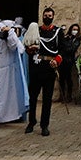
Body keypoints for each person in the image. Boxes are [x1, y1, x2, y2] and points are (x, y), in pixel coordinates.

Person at [21, 7, 62, 136]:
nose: (47, 17)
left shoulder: (57, 32)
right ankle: (31, 121)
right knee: (33, 97)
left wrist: (57, 61)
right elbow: (27, 47)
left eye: (50, 15)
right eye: (45, 15)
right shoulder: (36, 30)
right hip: (36, 68)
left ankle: (45, 125)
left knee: (47, 98)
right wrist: (30, 49)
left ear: (53, 17)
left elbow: (62, 51)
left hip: (49, 68)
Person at [58, 23, 81, 103]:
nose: (74, 31)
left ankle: (69, 96)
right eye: (73, 29)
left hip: (69, 61)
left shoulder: (77, 40)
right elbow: (61, 47)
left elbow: (71, 49)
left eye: (76, 30)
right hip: (62, 60)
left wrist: (65, 43)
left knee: (68, 78)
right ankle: (62, 95)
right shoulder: (67, 38)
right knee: (61, 79)